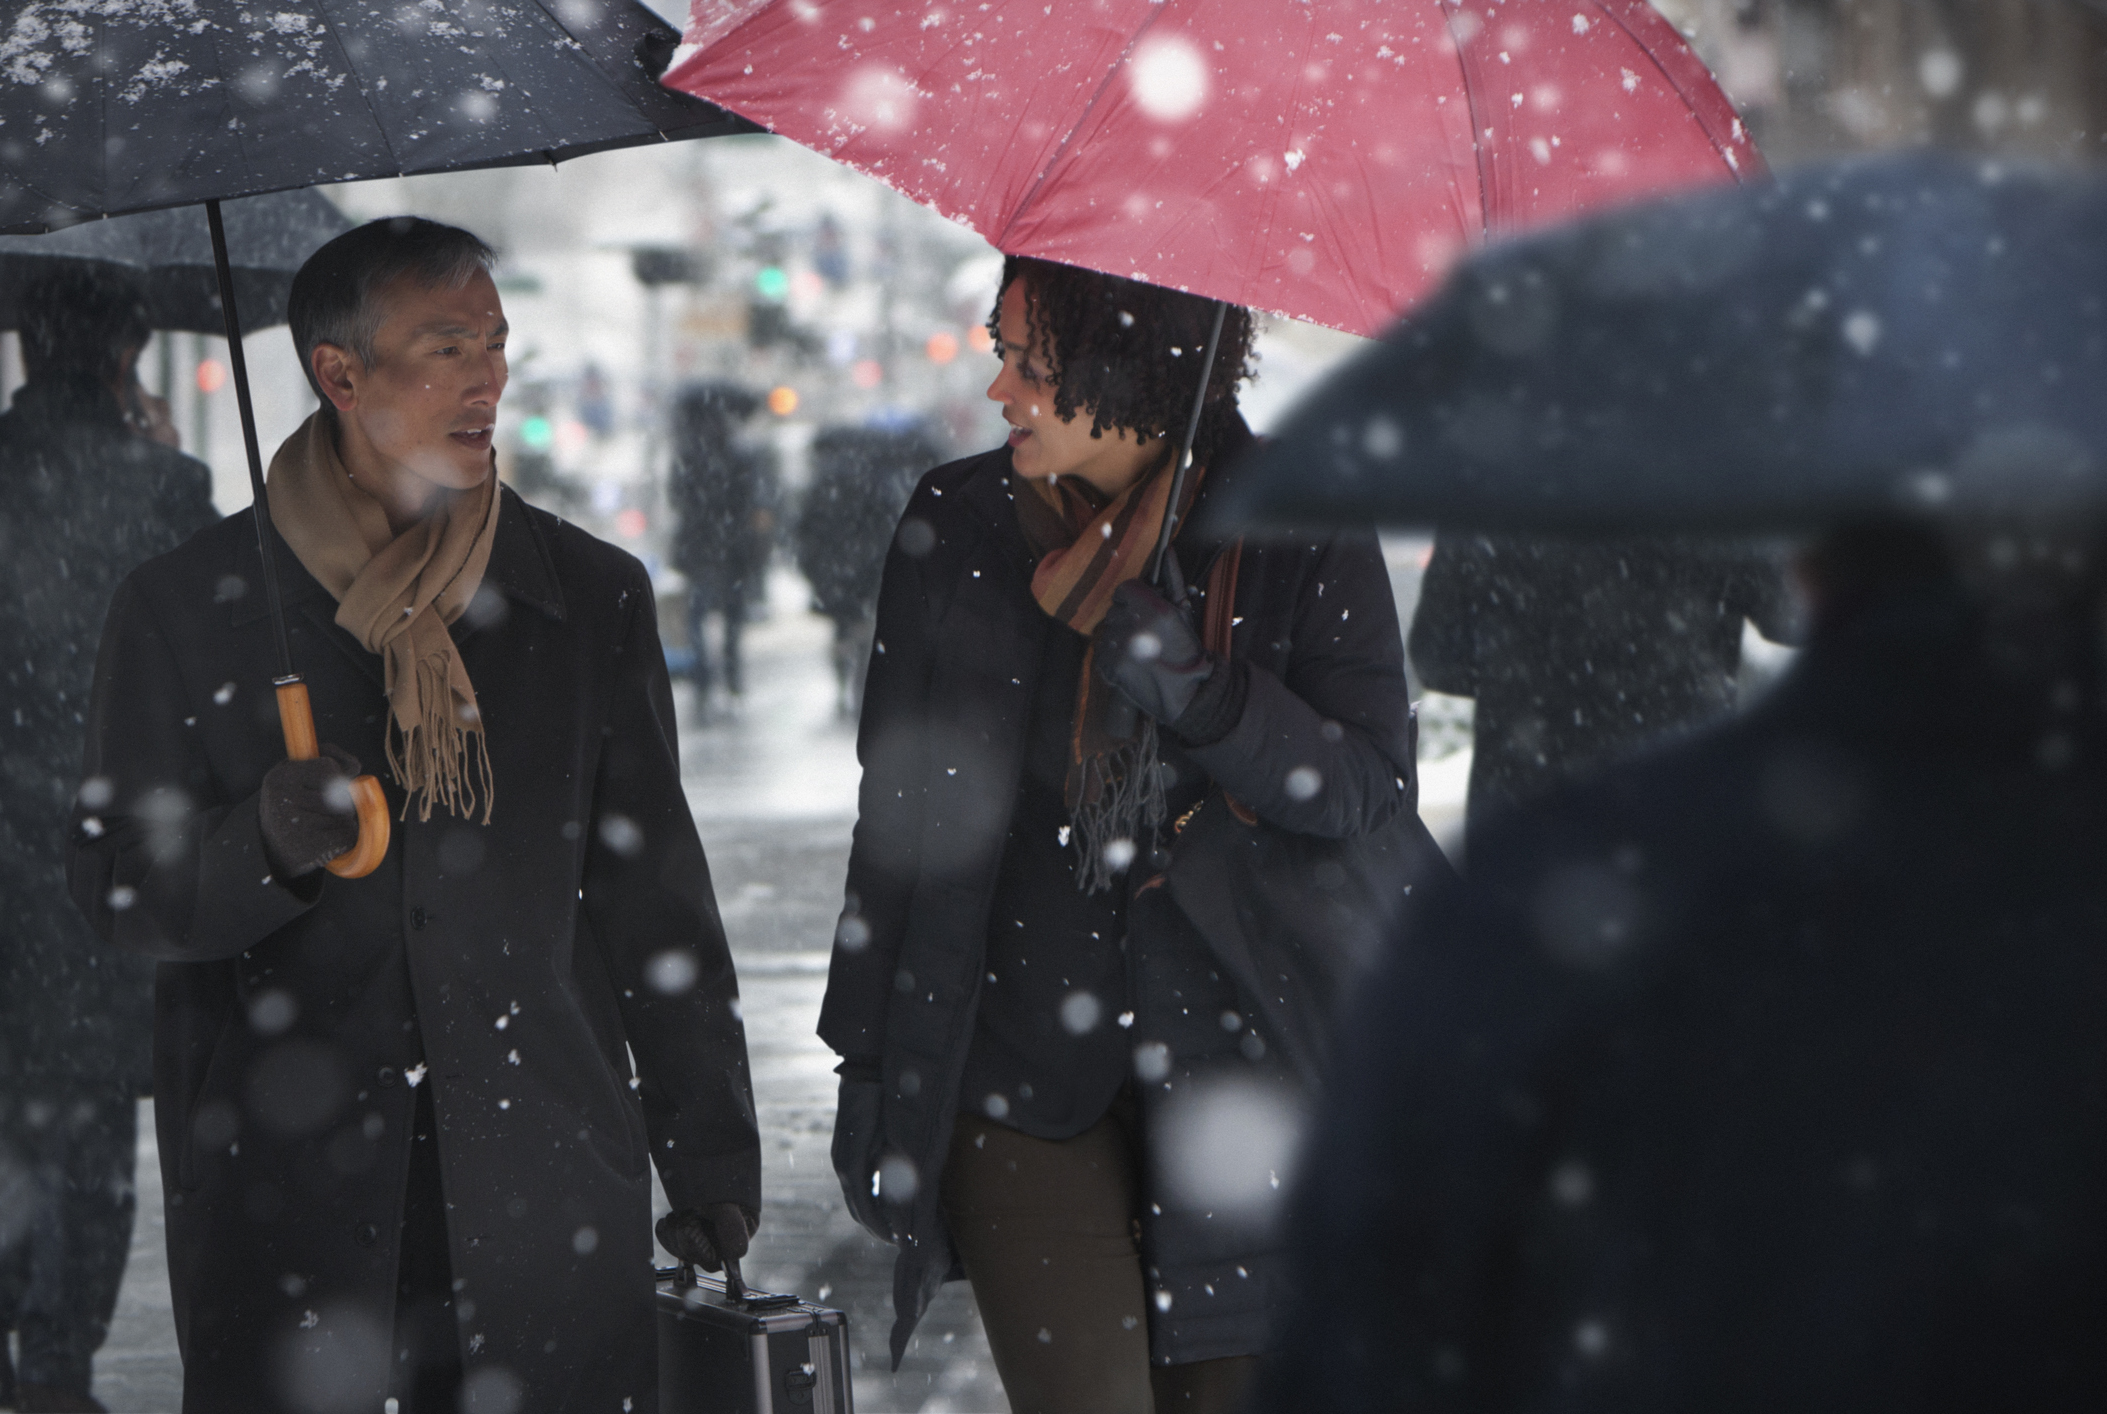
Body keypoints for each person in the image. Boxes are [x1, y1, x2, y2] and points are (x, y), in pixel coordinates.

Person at [66, 218, 760, 1414]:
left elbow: (655, 898)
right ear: (339, 374)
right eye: (446, 348)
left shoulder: (585, 597)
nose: (488, 377)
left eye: (495, 343)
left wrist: (706, 1145)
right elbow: (119, 888)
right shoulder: (188, 608)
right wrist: (262, 844)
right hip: (290, 1197)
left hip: (544, 1184)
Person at [1262, 515, 2107, 1411]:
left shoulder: (1493, 914)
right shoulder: (2001, 901)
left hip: (1546, 828)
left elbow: (1442, 653)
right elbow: (1778, 617)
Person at [820, 256, 1432, 1413]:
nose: (1000, 389)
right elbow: (899, 813)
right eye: (999, 349)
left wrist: (1202, 691)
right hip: (1015, 1057)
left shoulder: (1297, 521)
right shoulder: (954, 525)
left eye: (1033, 366)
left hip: (1245, 1068)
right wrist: (868, 1054)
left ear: (1137, 370)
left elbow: (1359, 787)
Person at [0, 269, 216, 1414]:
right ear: (131, 342)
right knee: (85, 1136)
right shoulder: (172, 491)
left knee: (1, 1118)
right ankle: (60, 1367)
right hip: (106, 858)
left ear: (25, 342)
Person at [1408, 533, 1800, 831]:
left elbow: (1436, 656)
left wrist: (1528, 675)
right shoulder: (1710, 482)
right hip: (1676, 793)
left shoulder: (1500, 480)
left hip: (1523, 801)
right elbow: (1792, 615)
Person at [795, 421, 943, 716]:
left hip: (832, 566)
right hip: (867, 563)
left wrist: (812, 563)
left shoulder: (821, 481)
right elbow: (889, 521)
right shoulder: (872, 477)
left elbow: (804, 528)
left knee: (839, 626)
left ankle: (840, 681)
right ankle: (859, 685)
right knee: (865, 624)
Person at [665, 383, 774, 723]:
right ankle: (733, 679)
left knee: (698, 615)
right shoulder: (740, 453)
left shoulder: (688, 452)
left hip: (698, 547)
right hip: (734, 547)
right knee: (732, 615)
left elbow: (676, 497)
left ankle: (702, 681)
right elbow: (753, 499)